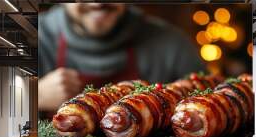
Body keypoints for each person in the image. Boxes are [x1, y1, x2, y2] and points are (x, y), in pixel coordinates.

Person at [38, 3, 205, 112]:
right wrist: (36, 96)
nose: (98, 4)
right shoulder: (31, 35)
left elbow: (213, 101)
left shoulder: (172, 43)